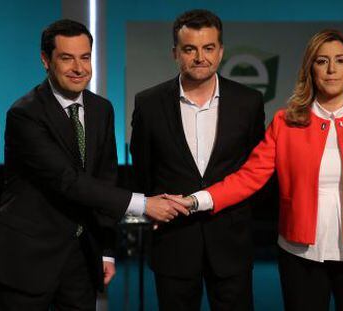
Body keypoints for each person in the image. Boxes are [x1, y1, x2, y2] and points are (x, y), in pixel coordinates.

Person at [168, 29, 343, 310]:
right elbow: (248, 178)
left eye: (340, 60)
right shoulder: (286, 122)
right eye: (322, 61)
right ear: (310, 69)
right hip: (299, 255)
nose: (332, 70)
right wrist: (195, 200)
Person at [0, 19, 187, 310]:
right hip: (30, 258)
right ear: (45, 60)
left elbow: (106, 178)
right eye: (67, 58)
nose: (79, 68)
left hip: (82, 258)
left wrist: (107, 250)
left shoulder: (102, 109)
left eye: (85, 57)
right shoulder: (25, 115)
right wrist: (144, 204)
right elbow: (68, 180)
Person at [130, 9, 265, 311]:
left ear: (221, 51)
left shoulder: (249, 102)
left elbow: (255, 171)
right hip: (173, 241)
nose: (200, 57)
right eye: (190, 49)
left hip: (232, 242)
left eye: (208, 48)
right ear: (175, 53)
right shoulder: (149, 103)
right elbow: (142, 171)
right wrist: (150, 210)